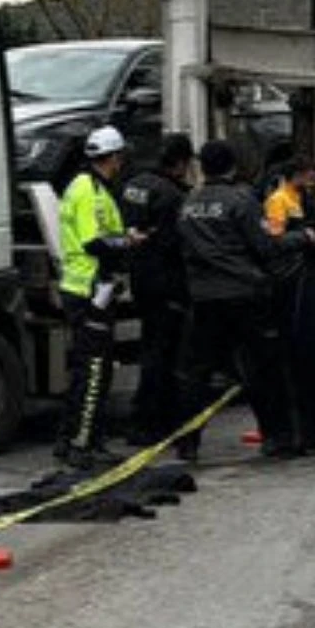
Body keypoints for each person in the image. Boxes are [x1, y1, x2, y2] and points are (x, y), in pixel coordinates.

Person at [175, 140, 314, 461]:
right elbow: (267, 246)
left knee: (195, 373)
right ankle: (278, 438)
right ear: (233, 166)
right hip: (244, 296)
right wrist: (303, 237)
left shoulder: (187, 203)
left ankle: (187, 441)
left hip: (204, 299)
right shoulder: (242, 200)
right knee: (262, 369)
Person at [57, 126, 144, 469]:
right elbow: (94, 242)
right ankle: (82, 444)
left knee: (89, 368)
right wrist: (129, 241)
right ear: (114, 157)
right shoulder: (89, 192)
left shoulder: (90, 187)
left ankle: (72, 439)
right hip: (89, 291)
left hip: (89, 289)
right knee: (94, 370)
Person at [119, 134, 194, 446]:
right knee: (166, 355)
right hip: (167, 283)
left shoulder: (133, 184)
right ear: (180, 163)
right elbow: (176, 244)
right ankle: (154, 423)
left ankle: (143, 420)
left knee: (151, 348)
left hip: (140, 278)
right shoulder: (173, 195)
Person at [264, 155, 315, 237]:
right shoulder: (278, 199)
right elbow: (276, 235)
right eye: (310, 177)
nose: (313, 181)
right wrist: (304, 235)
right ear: (297, 174)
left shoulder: (303, 196)